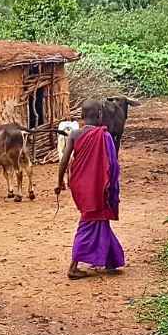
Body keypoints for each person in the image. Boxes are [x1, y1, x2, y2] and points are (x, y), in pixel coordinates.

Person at [56, 99, 125, 280]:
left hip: (80, 185)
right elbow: (112, 165)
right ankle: (73, 267)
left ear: (81, 116)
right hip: (99, 186)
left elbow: (63, 161)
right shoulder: (105, 136)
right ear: (100, 115)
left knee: (99, 220)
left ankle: (111, 260)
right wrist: (111, 186)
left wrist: (59, 182)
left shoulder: (74, 134)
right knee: (89, 222)